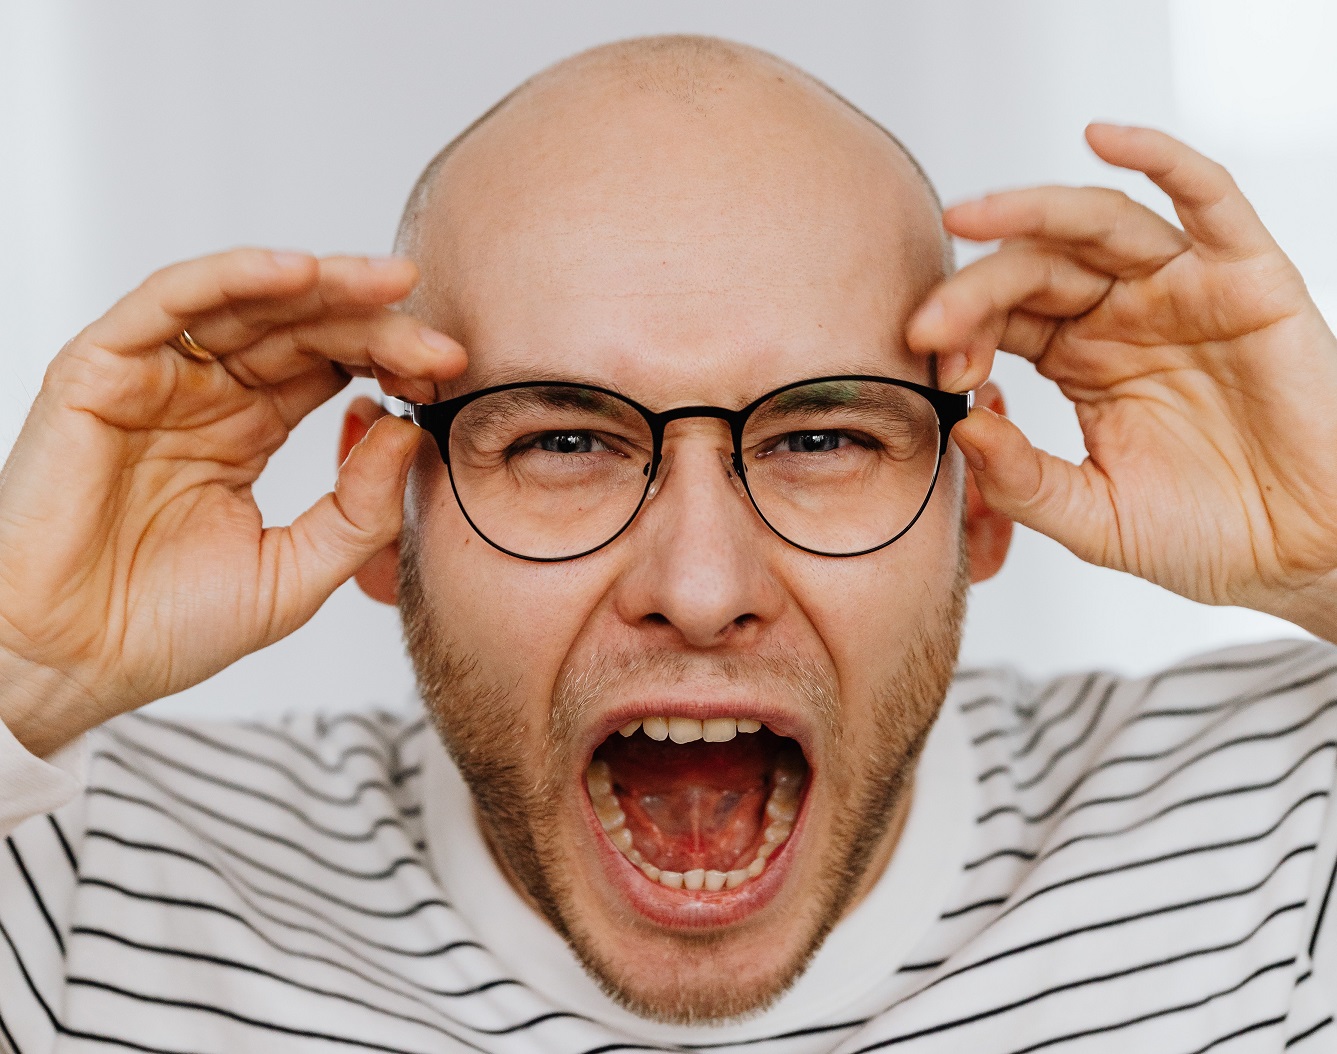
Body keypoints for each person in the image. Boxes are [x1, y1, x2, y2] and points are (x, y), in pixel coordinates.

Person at [1, 33, 1334, 1054]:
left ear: (975, 500)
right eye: (561, 442)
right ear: (383, 511)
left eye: (822, 438)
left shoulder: (1271, 848)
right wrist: (20, 672)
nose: (700, 589)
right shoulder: (81, 884)